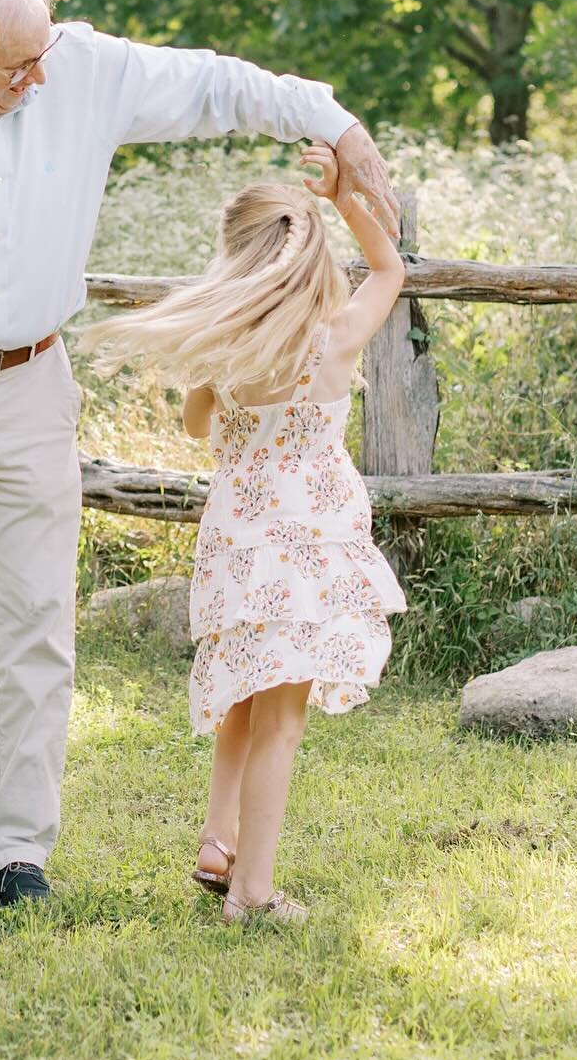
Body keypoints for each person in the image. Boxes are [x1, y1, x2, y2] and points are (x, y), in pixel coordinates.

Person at [0, 0, 400, 910]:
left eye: (44, 49)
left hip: (29, 378)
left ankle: (18, 851)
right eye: (18, 66)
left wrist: (334, 122)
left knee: (37, 622)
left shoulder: (78, 65)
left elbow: (220, 85)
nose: (41, 77)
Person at [87, 142, 407, 922]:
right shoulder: (333, 338)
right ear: (307, 255)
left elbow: (199, 428)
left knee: (245, 692)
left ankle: (217, 839)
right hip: (311, 537)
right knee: (283, 719)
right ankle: (253, 892)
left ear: (235, 258)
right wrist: (340, 199)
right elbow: (391, 270)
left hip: (237, 538)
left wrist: (213, 365)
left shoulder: (226, 351)